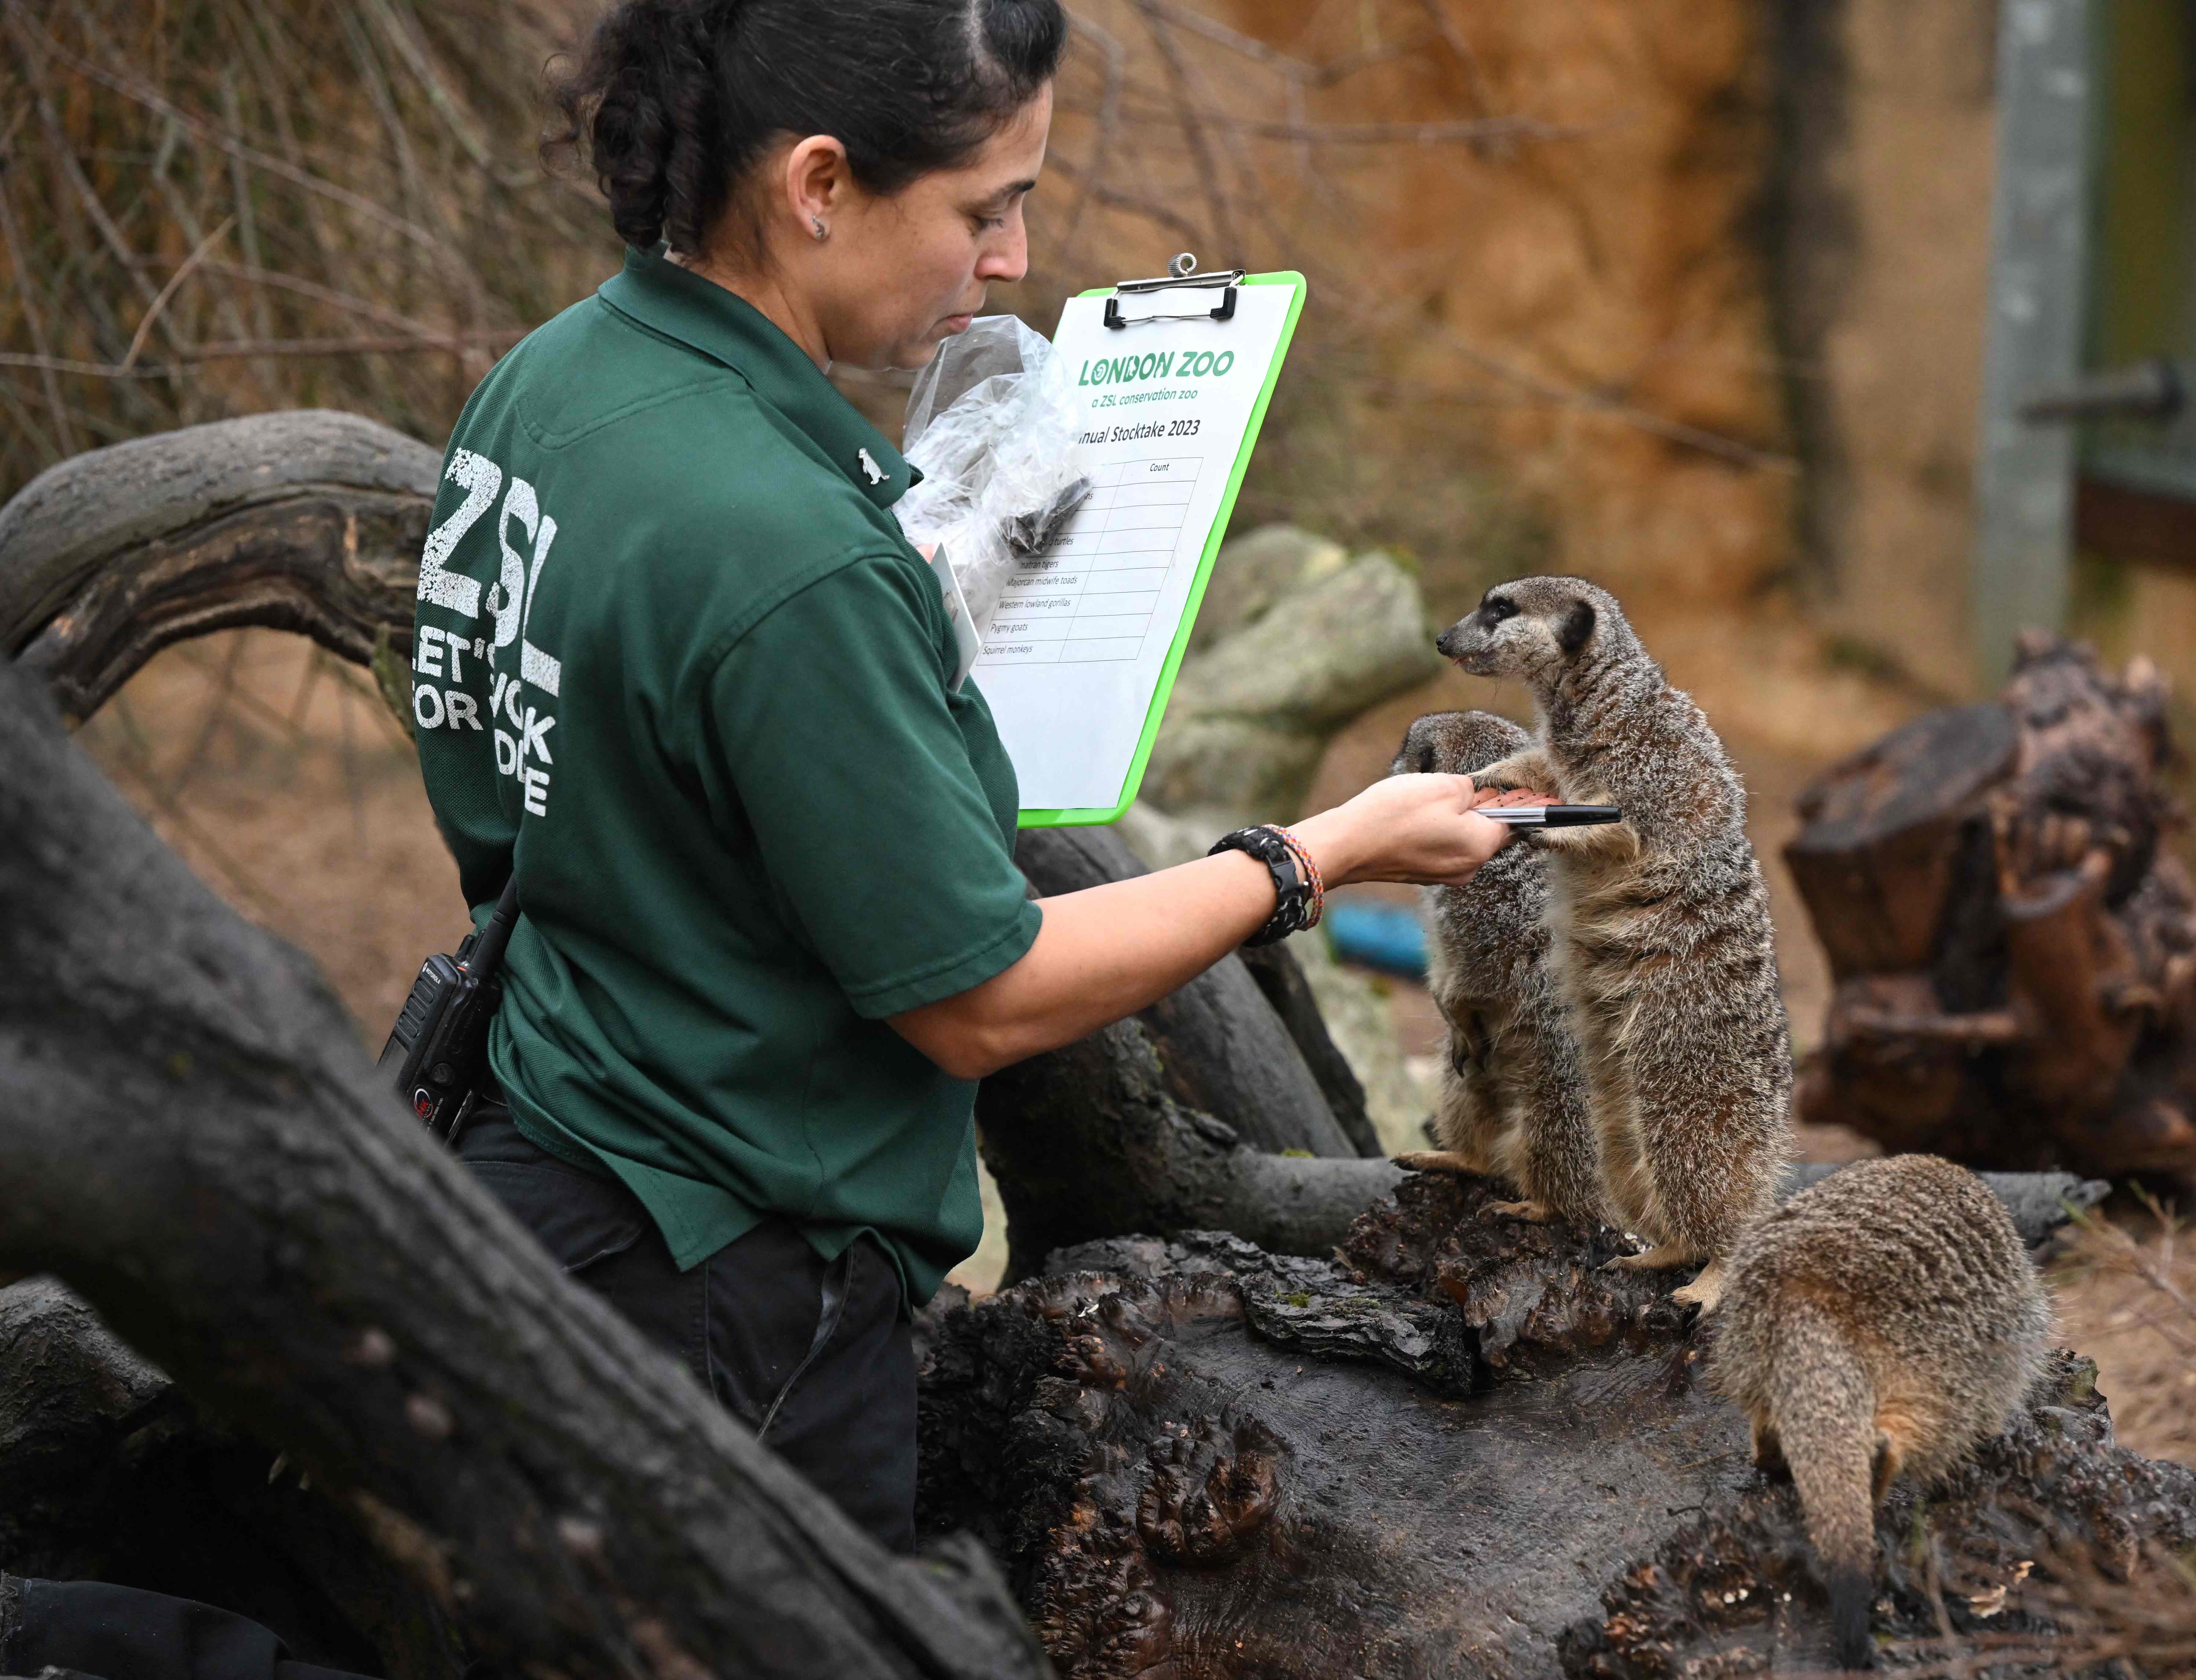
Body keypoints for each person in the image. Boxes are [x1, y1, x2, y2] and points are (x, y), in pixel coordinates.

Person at [409, 0, 1519, 1554]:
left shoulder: (549, 382)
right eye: (984, 210)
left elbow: (527, 762)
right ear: (818, 184)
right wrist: (1314, 854)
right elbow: (979, 997)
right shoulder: (788, 556)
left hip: (536, 1166)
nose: (1011, 261)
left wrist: (872, 666)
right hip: (728, 1291)